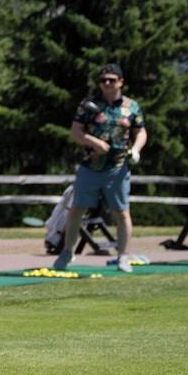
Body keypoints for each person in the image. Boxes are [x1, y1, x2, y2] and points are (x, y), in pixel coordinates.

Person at [57, 63, 147, 273]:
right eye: (103, 80)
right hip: (91, 166)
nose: (107, 83)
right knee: (77, 209)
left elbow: (141, 131)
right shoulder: (89, 104)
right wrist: (94, 142)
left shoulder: (131, 106)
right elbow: (76, 131)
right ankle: (67, 252)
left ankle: (123, 256)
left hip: (117, 168)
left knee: (121, 212)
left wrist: (136, 149)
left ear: (121, 82)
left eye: (112, 80)